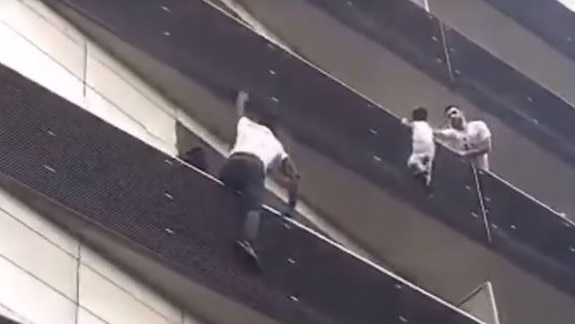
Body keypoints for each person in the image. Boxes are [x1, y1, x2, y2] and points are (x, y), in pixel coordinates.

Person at [219, 90, 300, 264]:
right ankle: (247, 242)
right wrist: (290, 207)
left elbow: (239, 110)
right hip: (253, 166)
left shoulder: (247, 125)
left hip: (231, 163)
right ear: (274, 132)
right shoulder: (276, 145)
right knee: (254, 204)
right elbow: (294, 176)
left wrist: (242, 97)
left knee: (231, 193)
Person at [434, 105, 492, 171]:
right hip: (465, 172)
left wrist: (466, 154)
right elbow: (438, 134)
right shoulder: (453, 134)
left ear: (462, 112)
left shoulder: (478, 125)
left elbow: (487, 147)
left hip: (482, 171)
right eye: (449, 116)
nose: (452, 117)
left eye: (454, 113)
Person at [402, 107, 435, 188]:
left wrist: (404, 120)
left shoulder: (416, 124)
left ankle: (422, 171)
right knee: (427, 164)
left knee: (412, 162)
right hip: (430, 149)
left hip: (420, 148)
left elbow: (405, 122)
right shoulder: (428, 127)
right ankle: (427, 181)